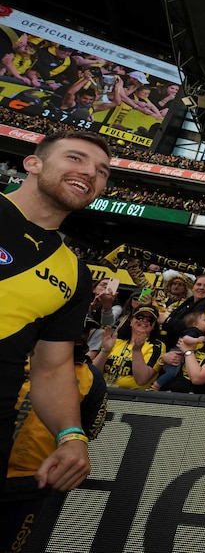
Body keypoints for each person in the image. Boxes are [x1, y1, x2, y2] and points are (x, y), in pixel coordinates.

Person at [0, 130, 111, 494]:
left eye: (102, 171)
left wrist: (72, 436)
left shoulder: (75, 273)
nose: (91, 172)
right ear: (33, 163)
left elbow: (52, 369)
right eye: (75, 158)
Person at [2, 331, 107, 551]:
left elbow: (90, 429)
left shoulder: (92, 378)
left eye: (82, 330)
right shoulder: (16, 353)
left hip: (32, 481)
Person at [92, 305, 165, 389]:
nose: (144, 321)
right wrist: (105, 350)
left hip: (132, 397)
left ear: (154, 326)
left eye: (150, 319)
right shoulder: (116, 341)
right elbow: (93, 373)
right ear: (131, 321)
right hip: (103, 391)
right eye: (140, 317)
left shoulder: (157, 346)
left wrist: (137, 351)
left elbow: (142, 380)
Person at [149, 310, 205, 392]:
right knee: (171, 373)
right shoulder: (193, 331)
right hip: (177, 353)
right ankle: (156, 385)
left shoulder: (200, 333)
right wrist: (197, 340)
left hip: (183, 355)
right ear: (195, 324)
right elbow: (186, 339)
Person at [160, 274, 205, 349]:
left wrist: (167, 321)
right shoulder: (189, 301)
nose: (201, 288)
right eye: (198, 284)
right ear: (193, 287)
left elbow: (194, 326)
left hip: (185, 347)